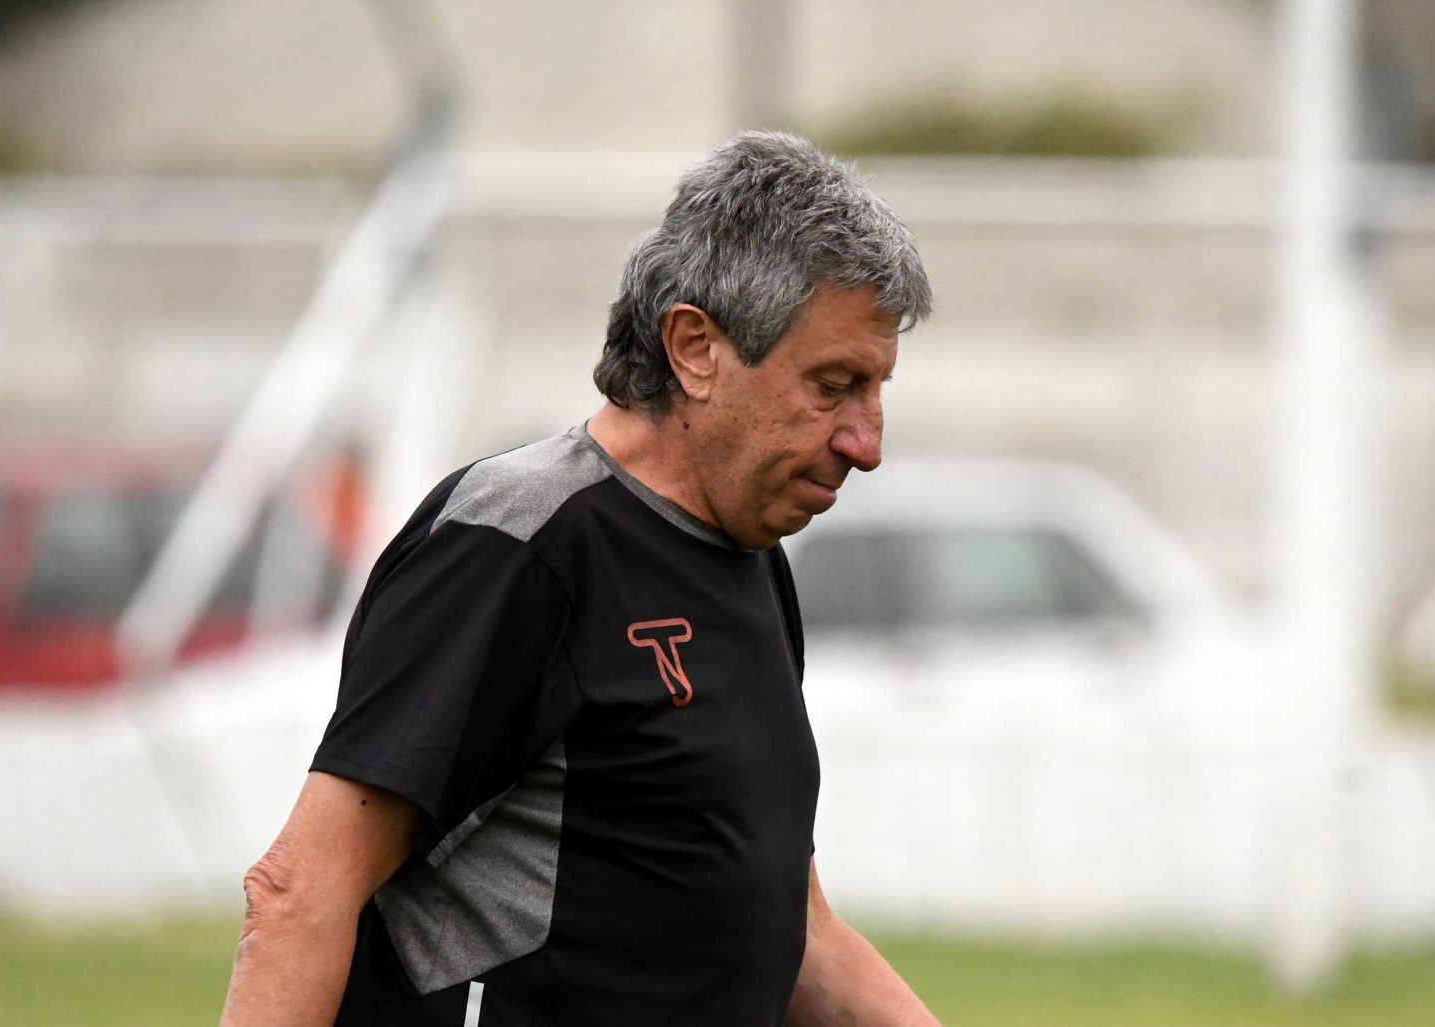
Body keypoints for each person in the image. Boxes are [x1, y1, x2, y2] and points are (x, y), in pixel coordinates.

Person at [220, 131, 938, 1026]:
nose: (866, 442)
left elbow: (797, 930)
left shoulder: (750, 556)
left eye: (877, 388)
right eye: (833, 384)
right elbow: (299, 889)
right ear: (695, 348)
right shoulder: (517, 540)